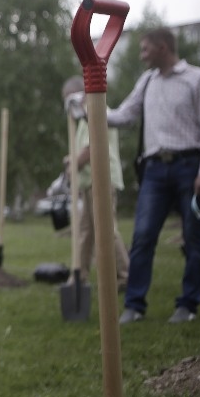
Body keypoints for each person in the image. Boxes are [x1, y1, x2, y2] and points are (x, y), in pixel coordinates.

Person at [107, 27, 200, 325]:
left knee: (194, 238)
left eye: (145, 49)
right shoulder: (147, 81)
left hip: (190, 167)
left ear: (162, 47)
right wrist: (87, 106)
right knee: (143, 236)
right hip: (155, 171)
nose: (141, 54)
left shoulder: (198, 79)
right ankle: (134, 305)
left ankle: (188, 305)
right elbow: (123, 115)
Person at [62, 76, 129, 290]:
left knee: (106, 228)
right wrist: (72, 160)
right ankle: (78, 277)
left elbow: (89, 151)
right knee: (85, 232)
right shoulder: (82, 119)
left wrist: (74, 162)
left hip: (102, 181)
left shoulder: (97, 111)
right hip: (88, 183)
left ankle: (125, 275)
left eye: (68, 99)